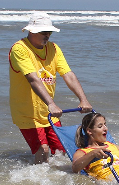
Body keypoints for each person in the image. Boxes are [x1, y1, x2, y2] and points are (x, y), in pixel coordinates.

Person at [8, 12, 92, 164]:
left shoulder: (54, 48)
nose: (48, 35)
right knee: (43, 150)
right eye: (44, 32)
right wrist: (51, 104)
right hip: (27, 113)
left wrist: (83, 100)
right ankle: (39, 183)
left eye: (49, 32)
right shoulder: (19, 49)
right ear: (32, 31)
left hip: (48, 112)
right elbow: (33, 79)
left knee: (62, 150)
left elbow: (68, 74)